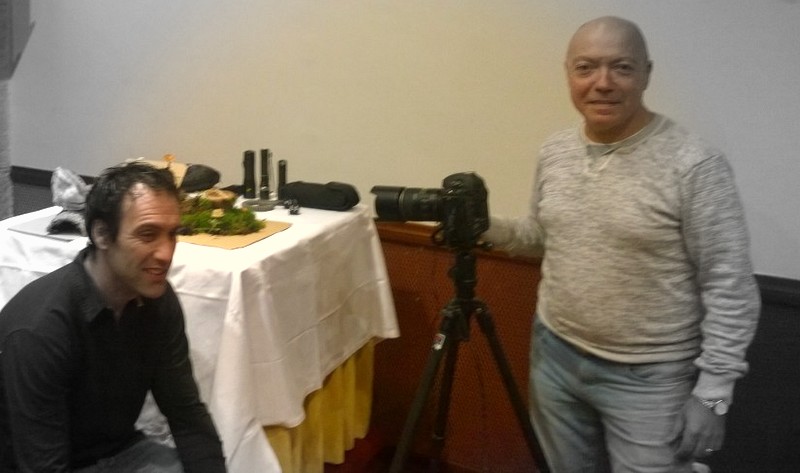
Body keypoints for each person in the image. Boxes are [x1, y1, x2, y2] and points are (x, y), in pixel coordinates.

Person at [484, 16, 761, 472]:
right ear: (569, 74)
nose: (602, 83)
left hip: (650, 379)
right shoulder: (555, 151)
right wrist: (483, 227)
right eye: (586, 68)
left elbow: (730, 286)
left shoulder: (695, 164)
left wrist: (713, 396)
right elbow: (543, 236)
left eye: (622, 68)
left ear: (646, 74)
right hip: (555, 355)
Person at [0, 162, 227, 472]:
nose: (166, 253)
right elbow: (43, 466)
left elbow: (186, 415)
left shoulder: (157, 301)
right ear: (102, 234)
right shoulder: (42, 329)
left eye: (172, 234)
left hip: (120, 452)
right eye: (148, 235)